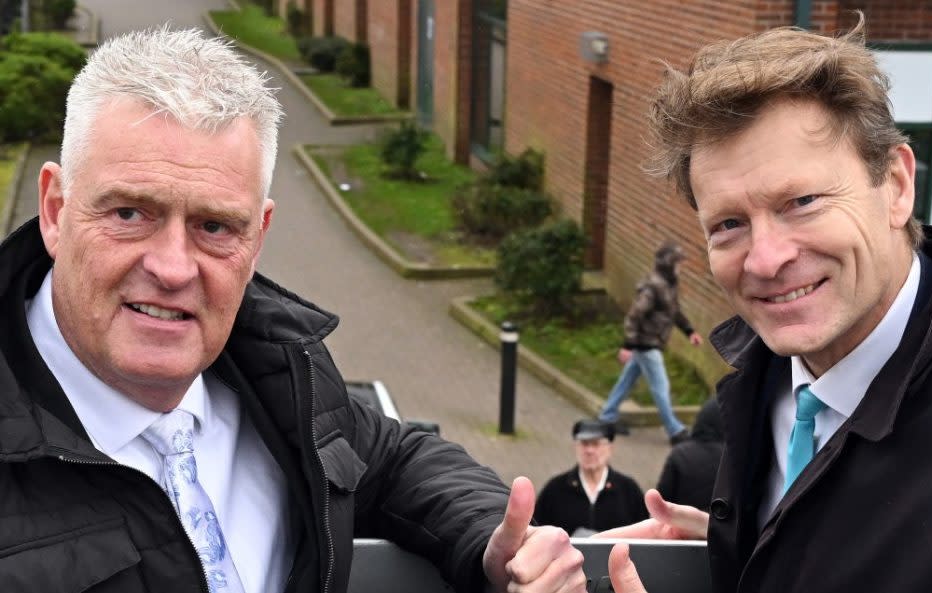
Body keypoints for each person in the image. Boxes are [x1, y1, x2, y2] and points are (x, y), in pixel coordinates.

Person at [0, 27, 588, 593]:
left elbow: (393, 458)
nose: (174, 268)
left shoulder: (278, 377)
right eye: (129, 213)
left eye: (214, 226)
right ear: (54, 209)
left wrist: (491, 539)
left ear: (258, 237)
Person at [603, 13, 932, 593]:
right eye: (729, 224)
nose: (764, 259)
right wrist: (752, 549)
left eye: (802, 201)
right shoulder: (766, 380)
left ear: (896, 185)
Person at [598, 241, 703, 443]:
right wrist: (628, 345)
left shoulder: (668, 285)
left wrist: (690, 331)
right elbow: (634, 316)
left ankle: (606, 417)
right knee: (660, 386)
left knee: (627, 380)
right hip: (646, 343)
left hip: (649, 342)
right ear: (668, 264)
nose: (680, 268)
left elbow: (674, 311)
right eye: (677, 263)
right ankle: (675, 430)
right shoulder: (652, 287)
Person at [534, 419, 649, 536]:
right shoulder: (555, 489)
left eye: (596, 444)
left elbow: (644, 536)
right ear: (576, 447)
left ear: (610, 448)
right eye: (584, 444)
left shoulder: (628, 490)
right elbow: (537, 533)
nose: (589, 450)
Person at [654, 398, 723, 510]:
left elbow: (662, 499)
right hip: (721, 525)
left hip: (681, 523)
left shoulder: (680, 453)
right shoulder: (735, 458)